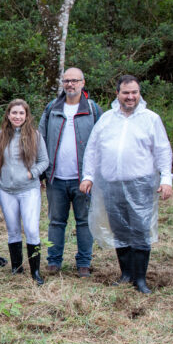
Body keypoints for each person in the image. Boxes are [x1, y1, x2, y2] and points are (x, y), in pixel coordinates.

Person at [80, 76, 173, 294]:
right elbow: (93, 149)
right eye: (125, 93)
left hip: (140, 184)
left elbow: (162, 149)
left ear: (139, 93)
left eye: (134, 92)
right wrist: (88, 176)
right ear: (117, 94)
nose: (130, 97)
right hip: (111, 184)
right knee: (119, 229)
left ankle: (140, 279)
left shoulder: (151, 119)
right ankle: (126, 274)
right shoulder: (107, 119)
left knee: (140, 230)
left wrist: (166, 178)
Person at [39, 67, 103, 277]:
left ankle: (84, 263)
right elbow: (40, 140)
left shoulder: (92, 109)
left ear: (83, 83)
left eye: (75, 81)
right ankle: (53, 262)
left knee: (84, 222)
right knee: (56, 221)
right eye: (66, 81)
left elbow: (102, 142)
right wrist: (42, 173)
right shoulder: (52, 108)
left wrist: (93, 175)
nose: (70, 84)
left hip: (83, 179)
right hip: (55, 178)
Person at [0, 100, 49, 285]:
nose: (17, 117)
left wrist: (32, 173)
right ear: (8, 115)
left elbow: (44, 161)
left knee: (32, 230)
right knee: (12, 231)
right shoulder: (0, 136)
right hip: (6, 191)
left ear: (26, 116)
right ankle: (16, 268)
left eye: (21, 113)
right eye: (14, 113)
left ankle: (35, 271)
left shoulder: (35, 136)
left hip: (28, 190)